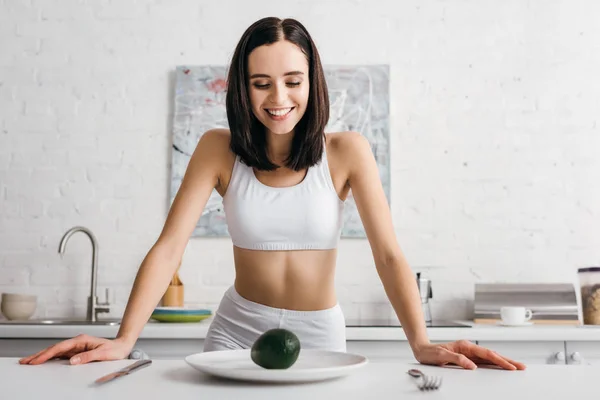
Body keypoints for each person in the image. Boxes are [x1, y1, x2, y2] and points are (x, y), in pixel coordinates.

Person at [20, 16, 525, 371]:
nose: (279, 98)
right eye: (261, 83)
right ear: (243, 88)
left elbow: (388, 254)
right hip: (235, 330)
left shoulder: (348, 151)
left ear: (313, 82)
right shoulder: (217, 149)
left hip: (321, 336)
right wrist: (125, 339)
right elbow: (170, 246)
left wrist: (419, 342)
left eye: (292, 80)